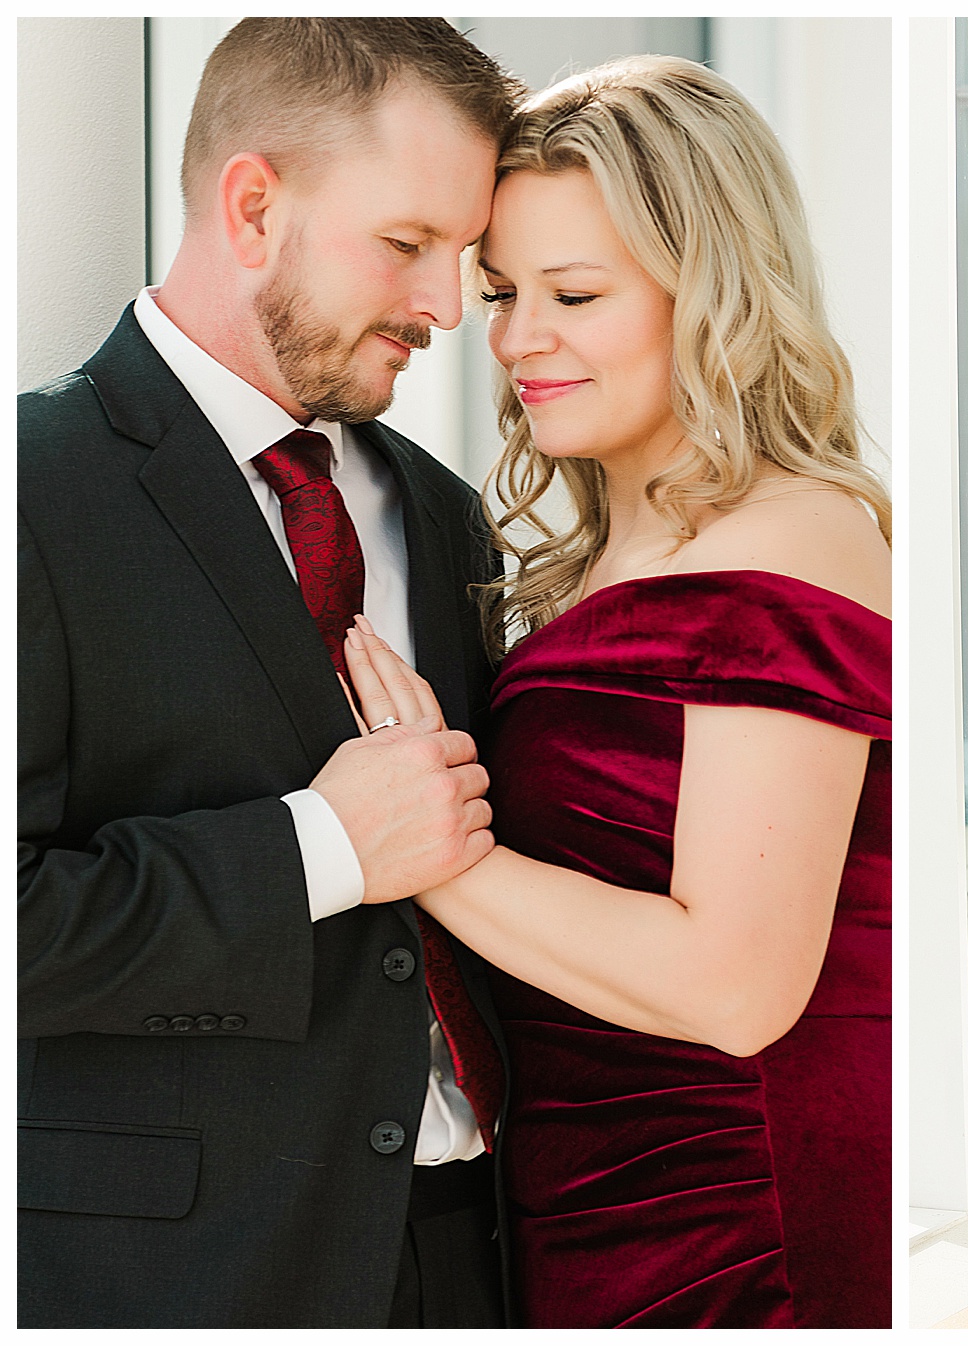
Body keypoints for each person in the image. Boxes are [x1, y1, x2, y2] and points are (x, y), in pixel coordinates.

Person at [341, 56, 893, 1328]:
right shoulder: (595, 547)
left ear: (713, 287)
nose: (521, 337)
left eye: (575, 292)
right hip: (581, 1192)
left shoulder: (793, 532)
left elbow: (735, 984)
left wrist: (424, 846)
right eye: (502, 292)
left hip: (731, 1216)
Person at [18, 20, 525, 1327]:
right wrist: (324, 848)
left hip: (479, 1253)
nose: (449, 308)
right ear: (254, 207)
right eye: (409, 244)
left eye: (463, 258)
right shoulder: (30, 490)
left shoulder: (445, 513)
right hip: (189, 1277)